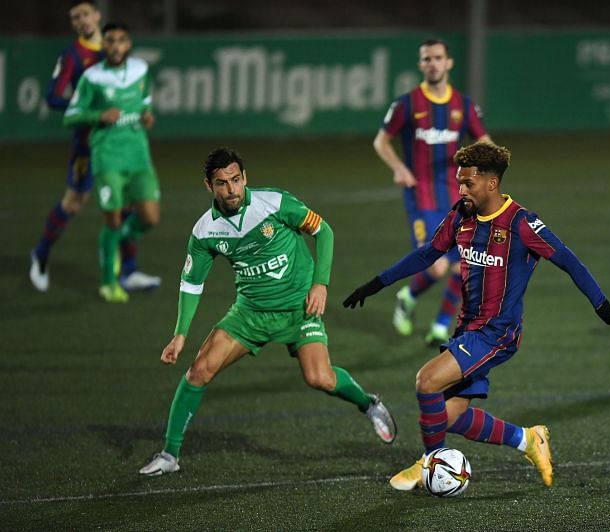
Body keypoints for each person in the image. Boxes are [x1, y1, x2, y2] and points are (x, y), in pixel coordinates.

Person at [343, 141, 610, 490]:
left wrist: (602, 305)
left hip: (497, 333)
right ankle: (527, 439)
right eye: (459, 182)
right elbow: (427, 254)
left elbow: (568, 260)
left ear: (491, 183)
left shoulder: (522, 223)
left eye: (469, 183)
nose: (461, 190)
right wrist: (376, 284)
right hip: (467, 331)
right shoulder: (461, 216)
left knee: (427, 382)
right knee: (448, 416)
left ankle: (430, 463)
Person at [139, 147, 397, 476]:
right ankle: (170, 455)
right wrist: (180, 334)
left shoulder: (274, 203)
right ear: (209, 186)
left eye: (236, 180)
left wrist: (321, 283)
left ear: (245, 177)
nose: (231, 189)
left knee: (320, 378)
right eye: (222, 183)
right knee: (199, 371)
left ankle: (368, 404)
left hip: (299, 307)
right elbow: (191, 283)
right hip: (250, 313)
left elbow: (323, 231)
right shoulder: (205, 231)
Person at [29, 2, 160, 294]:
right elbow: (53, 97)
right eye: (75, 17)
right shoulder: (74, 55)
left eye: (86, 13)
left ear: (97, 16)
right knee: (74, 202)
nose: (82, 20)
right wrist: (88, 107)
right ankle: (41, 253)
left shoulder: (114, 48)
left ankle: (128, 271)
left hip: (121, 142)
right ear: (73, 23)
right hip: (89, 140)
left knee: (126, 204)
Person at [373, 38, 491, 346]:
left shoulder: (463, 106)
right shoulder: (407, 104)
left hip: (458, 197)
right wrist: (399, 167)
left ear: (449, 63)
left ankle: (440, 325)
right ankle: (407, 296)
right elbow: (381, 141)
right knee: (437, 265)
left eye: (438, 58)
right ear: (421, 64)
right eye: (426, 59)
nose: (432, 64)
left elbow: (484, 141)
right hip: (421, 194)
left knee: (463, 262)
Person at [63, 22, 163, 302]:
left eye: (121, 40)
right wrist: (98, 116)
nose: (116, 46)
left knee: (150, 218)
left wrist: (147, 115)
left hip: (138, 155)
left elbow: (145, 102)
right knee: (113, 220)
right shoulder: (92, 77)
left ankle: (113, 244)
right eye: (110, 41)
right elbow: (70, 115)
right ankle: (109, 282)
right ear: (103, 45)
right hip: (108, 158)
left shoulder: (140, 70)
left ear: (128, 44)